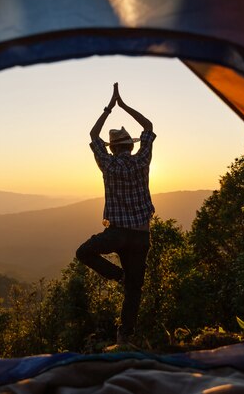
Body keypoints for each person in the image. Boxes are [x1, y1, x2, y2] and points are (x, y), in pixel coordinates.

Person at [76, 82, 155, 346]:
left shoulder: (107, 164)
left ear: (112, 148)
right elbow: (148, 127)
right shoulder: (142, 160)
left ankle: (117, 276)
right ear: (130, 147)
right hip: (141, 236)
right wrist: (125, 106)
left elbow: (92, 134)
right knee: (134, 290)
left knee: (84, 252)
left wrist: (109, 108)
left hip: (118, 234)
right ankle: (124, 337)